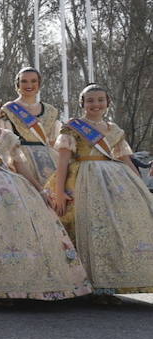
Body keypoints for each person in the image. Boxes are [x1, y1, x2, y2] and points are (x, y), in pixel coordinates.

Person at [0, 93, 90, 301]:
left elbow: (20, 164)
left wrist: (39, 188)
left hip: (9, 184)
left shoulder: (9, 137)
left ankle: (19, 284)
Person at [48, 83, 153, 294]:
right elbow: (63, 162)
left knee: (110, 228)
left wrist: (140, 187)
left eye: (100, 100)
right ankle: (84, 283)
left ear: (107, 103)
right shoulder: (72, 128)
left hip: (113, 182)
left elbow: (125, 159)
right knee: (85, 226)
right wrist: (59, 192)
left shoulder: (114, 130)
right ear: (83, 104)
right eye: (90, 100)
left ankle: (110, 281)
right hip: (81, 180)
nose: (95, 104)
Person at [3, 67, 62, 187]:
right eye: (24, 81)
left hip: (48, 162)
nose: (29, 85)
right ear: (17, 84)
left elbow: (53, 142)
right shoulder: (8, 110)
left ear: (39, 84)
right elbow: (4, 143)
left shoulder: (51, 111)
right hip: (19, 161)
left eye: (33, 81)